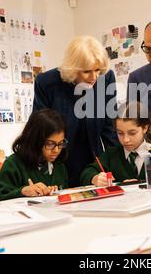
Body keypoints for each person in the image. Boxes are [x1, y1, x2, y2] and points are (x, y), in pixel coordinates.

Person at [33, 36, 118, 187]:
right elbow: (40, 131)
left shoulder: (105, 79)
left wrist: (118, 168)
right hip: (59, 163)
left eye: (97, 70)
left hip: (94, 164)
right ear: (73, 69)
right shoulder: (47, 83)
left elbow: (109, 128)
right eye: (86, 72)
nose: (94, 77)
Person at [0, 109, 68, 199]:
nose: (56, 150)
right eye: (50, 144)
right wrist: (22, 192)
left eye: (61, 143)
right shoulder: (13, 165)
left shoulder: (60, 167)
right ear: (35, 140)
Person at [80, 102, 151, 186]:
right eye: (120, 133)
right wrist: (95, 178)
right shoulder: (112, 154)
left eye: (132, 133)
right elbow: (87, 173)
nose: (125, 140)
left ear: (145, 128)